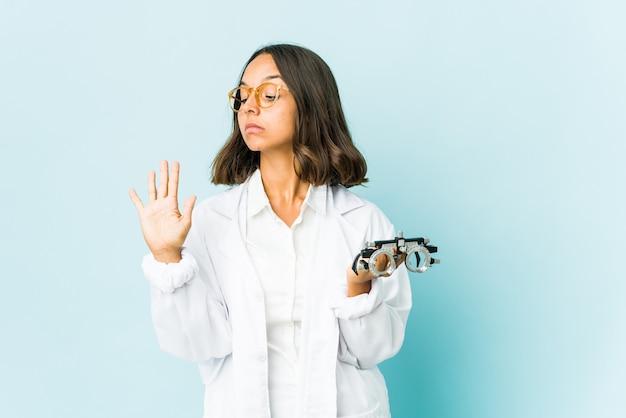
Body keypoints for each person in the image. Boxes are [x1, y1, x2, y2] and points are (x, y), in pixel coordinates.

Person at [129, 43, 412, 418]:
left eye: (269, 93)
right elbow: (195, 343)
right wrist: (168, 258)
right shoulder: (212, 222)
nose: (249, 106)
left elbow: (376, 348)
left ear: (311, 104)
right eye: (243, 95)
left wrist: (357, 287)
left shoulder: (363, 221)